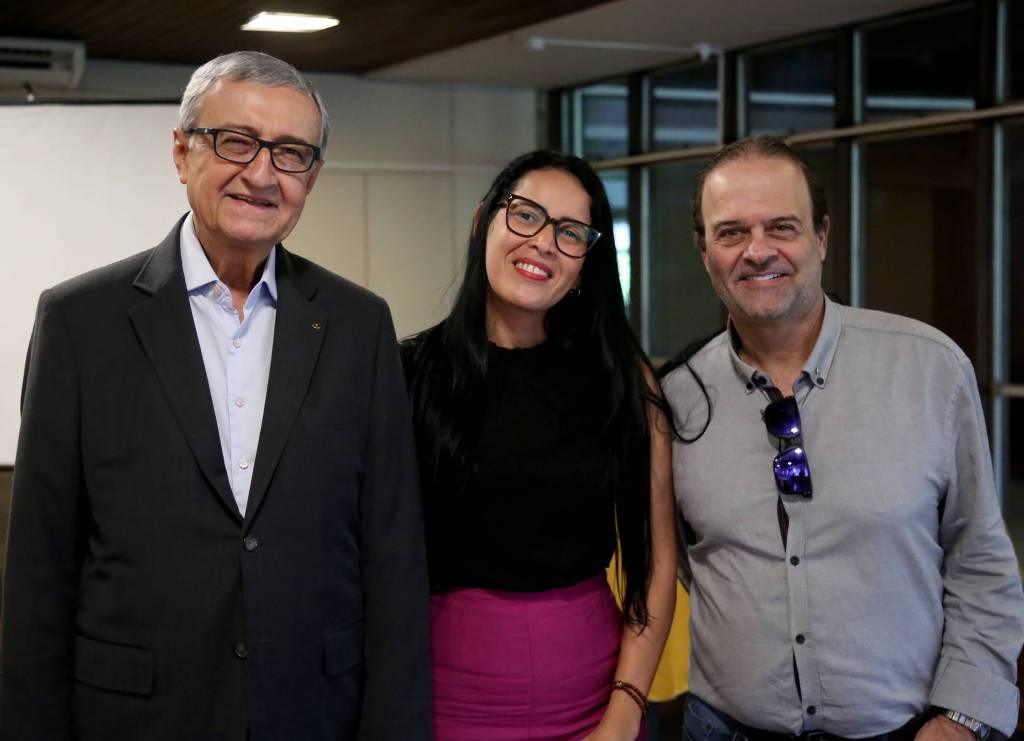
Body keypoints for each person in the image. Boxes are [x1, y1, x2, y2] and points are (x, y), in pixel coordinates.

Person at [0, 51, 430, 741]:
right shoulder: (80, 321)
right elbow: (39, 572)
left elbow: (394, 554)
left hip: (316, 714)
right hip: (135, 718)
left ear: (312, 175)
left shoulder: (359, 325)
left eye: (290, 153)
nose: (261, 174)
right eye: (236, 142)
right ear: (182, 152)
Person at [660, 135, 1023, 741]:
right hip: (722, 728)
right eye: (731, 233)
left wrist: (962, 718)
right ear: (704, 251)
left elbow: (980, 559)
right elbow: (686, 564)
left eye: (782, 227)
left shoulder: (929, 369)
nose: (758, 250)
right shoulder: (675, 399)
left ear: (822, 237)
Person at [401, 150, 676, 740]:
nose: (544, 243)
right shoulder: (408, 374)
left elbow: (656, 563)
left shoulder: (621, 380)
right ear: (483, 222)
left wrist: (625, 711)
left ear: (586, 263)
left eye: (571, 233)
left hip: (595, 701)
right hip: (444, 701)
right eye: (525, 215)